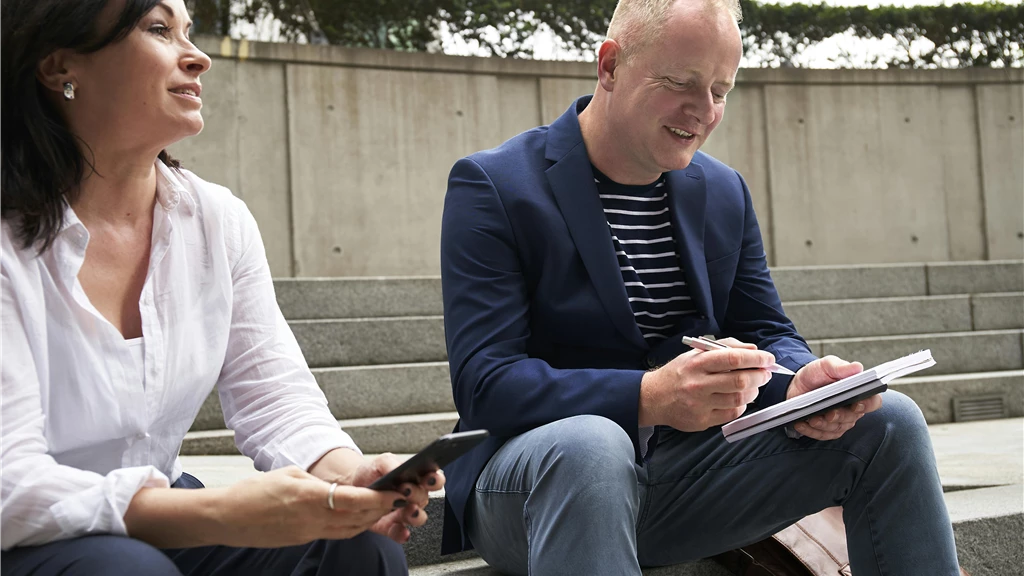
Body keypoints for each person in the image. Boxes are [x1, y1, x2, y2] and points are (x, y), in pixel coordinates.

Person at [438, 0, 961, 574]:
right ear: (609, 66)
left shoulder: (723, 189)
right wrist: (645, 397)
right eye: (681, 83)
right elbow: (486, 385)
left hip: (684, 479)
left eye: (720, 90)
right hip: (535, 490)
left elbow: (766, 329)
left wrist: (798, 386)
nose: (703, 111)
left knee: (892, 422)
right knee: (592, 444)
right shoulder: (493, 185)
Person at [0, 1, 443, 575]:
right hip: (26, 531)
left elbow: (275, 398)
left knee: (361, 551)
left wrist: (347, 474)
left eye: (190, 30)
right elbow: (11, 481)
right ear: (60, 66)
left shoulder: (216, 220)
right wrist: (216, 511)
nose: (198, 57)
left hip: (160, 515)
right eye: (159, 30)